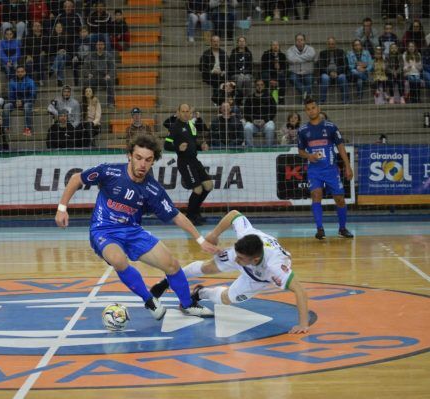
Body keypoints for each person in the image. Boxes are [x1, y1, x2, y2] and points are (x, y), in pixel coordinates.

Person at [55, 133, 219, 319]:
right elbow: (77, 178)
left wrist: (200, 239)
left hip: (133, 232)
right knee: (118, 260)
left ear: (153, 161)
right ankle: (149, 300)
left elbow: (176, 215)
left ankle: (188, 304)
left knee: (172, 265)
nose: (142, 164)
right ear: (129, 156)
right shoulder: (110, 172)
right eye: (139, 158)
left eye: (148, 160)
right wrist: (62, 208)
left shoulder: (153, 189)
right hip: (104, 230)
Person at [149, 210, 310, 334]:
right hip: (247, 252)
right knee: (206, 267)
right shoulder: (246, 238)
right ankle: (167, 281)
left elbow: (300, 292)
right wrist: (214, 234)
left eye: (240, 259)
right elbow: (234, 214)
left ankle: (201, 292)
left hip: (257, 279)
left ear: (254, 260)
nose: (236, 261)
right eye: (237, 256)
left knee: (227, 299)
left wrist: (303, 324)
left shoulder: (275, 268)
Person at [298, 97, 354, 240]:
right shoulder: (303, 130)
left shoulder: (330, 127)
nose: (311, 111)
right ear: (306, 112)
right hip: (314, 171)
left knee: (340, 199)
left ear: (318, 108)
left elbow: (340, 147)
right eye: (308, 109)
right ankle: (320, 229)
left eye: (313, 108)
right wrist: (309, 156)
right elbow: (300, 151)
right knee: (316, 195)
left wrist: (348, 166)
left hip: (331, 170)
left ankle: (342, 228)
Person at [165, 103, 212, 226]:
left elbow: (192, 144)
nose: (186, 114)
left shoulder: (190, 125)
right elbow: (166, 145)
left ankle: (195, 212)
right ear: (178, 112)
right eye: (183, 111)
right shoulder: (175, 127)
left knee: (208, 185)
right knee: (197, 189)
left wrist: (200, 147)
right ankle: (190, 216)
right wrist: (178, 147)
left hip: (194, 160)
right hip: (184, 162)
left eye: (188, 111)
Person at [3, 65, 36, 136]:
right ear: (15, 73)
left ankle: (28, 129)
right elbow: (10, 96)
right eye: (18, 72)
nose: (20, 73)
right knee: (6, 106)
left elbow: (33, 95)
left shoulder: (30, 81)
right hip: (15, 103)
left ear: (25, 72)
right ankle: (6, 128)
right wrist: (15, 102)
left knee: (27, 106)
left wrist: (23, 101)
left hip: (27, 102)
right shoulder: (12, 82)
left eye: (22, 72)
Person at [243, 79, 277, 147]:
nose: (259, 86)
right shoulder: (250, 98)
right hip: (253, 123)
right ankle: (250, 148)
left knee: (270, 127)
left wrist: (265, 120)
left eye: (261, 85)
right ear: (255, 86)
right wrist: (253, 120)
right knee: (247, 127)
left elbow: (273, 111)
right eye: (258, 85)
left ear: (264, 86)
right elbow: (246, 112)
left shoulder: (269, 97)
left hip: (265, 123)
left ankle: (268, 149)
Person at [82, 39, 115, 107]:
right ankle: (88, 102)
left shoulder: (108, 56)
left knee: (110, 82)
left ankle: (110, 103)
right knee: (87, 82)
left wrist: (109, 75)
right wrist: (88, 74)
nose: (100, 46)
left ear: (104, 46)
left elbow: (112, 67)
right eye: (98, 45)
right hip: (94, 77)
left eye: (101, 45)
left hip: (104, 77)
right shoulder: (91, 55)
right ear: (96, 46)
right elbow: (85, 66)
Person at [316, 36, 349, 104]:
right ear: (327, 44)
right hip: (327, 74)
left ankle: (345, 100)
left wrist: (337, 72)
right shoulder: (323, 53)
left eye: (332, 44)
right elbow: (320, 66)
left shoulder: (341, 52)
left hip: (338, 74)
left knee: (343, 77)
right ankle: (322, 100)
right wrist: (330, 72)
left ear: (335, 44)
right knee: (324, 78)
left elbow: (345, 65)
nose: (331, 45)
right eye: (329, 44)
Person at [287, 33, 315, 102]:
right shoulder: (290, 50)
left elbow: (311, 56)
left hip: (307, 72)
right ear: (295, 41)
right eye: (298, 40)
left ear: (304, 41)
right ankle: (305, 94)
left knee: (310, 79)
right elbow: (291, 59)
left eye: (301, 40)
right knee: (292, 78)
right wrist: (305, 58)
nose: (299, 41)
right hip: (295, 72)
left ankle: (304, 99)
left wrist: (297, 58)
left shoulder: (310, 49)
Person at [260, 40, 288, 104]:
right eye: (274, 45)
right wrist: (271, 80)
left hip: (278, 74)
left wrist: (279, 67)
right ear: (271, 46)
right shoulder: (266, 54)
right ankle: (266, 98)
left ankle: (281, 99)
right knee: (265, 75)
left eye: (277, 45)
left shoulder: (282, 55)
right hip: (268, 74)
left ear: (279, 46)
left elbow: (284, 68)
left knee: (282, 76)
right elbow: (263, 67)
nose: (275, 46)